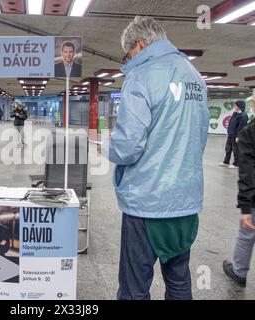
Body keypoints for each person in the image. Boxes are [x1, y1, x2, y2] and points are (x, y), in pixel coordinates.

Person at [104, 16, 209, 300]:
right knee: (178, 281)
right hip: (185, 202)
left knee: (134, 286)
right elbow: (199, 136)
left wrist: (106, 147)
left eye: (129, 53)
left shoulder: (141, 77)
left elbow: (127, 147)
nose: (129, 59)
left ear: (140, 44)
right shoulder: (194, 76)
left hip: (147, 204)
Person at [223, 95, 255, 287]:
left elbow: (248, 174)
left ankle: (239, 272)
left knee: (246, 234)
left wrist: (245, 207)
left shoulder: (250, 133)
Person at [219, 101, 248, 169]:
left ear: (239, 106)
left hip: (236, 136)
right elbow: (231, 123)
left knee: (236, 150)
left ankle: (236, 163)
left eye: (236, 105)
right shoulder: (235, 113)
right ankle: (226, 161)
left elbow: (242, 127)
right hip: (231, 134)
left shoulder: (243, 116)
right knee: (228, 148)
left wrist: (238, 136)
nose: (234, 106)